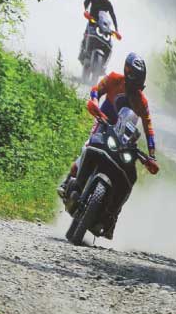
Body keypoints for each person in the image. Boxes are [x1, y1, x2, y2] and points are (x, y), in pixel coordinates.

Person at [60, 53, 159, 205]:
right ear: (128, 74)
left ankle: (113, 210)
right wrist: (94, 102)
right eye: (134, 84)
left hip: (125, 137)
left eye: (139, 86)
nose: (135, 92)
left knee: (130, 172)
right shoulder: (113, 78)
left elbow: (148, 128)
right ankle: (68, 181)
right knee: (88, 146)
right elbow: (96, 89)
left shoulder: (142, 102)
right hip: (103, 121)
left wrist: (151, 156)